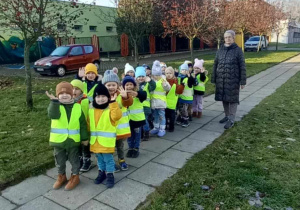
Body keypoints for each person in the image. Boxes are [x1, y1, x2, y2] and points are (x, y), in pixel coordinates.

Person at [46, 82, 89, 191]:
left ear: (72, 94)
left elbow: (82, 124)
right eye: (61, 93)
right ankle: (61, 176)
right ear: (57, 95)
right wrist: (54, 102)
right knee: (59, 160)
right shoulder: (56, 106)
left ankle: (75, 176)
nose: (64, 95)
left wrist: (84, 138)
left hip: (73, 141)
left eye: (67, 93)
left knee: (74, 160)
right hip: (58, 141)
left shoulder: (77, 107)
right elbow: (52, 115)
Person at [89, 83, 122, 188]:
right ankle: (101, 172)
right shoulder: (91, 109)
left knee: (108, 160)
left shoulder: (110, 108)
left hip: (106, 142)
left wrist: (113, 103)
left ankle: (110, 175)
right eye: (98, 97)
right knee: (99, 159)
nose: (100, 99)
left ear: (108, 97)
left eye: (103, 96)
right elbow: (88, 123)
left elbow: (117, 116)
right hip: (95, 141)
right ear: (94, 98)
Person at [212, 30, 246, 129]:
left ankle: (231, 119)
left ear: (233, 38)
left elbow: (242, 66)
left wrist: (243, 81)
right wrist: (214, 78)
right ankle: (227, 116)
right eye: (226, 37)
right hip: (221, 79)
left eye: (229, 37)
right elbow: (215, 64)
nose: (227, 39)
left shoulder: (238, 50)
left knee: (233, 100)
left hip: (233, 80)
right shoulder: (220, 50)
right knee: (224, 98)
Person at [102, 70, 133, 172]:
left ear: (117, 85)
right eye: (108, 85)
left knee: (120, 146)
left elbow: (129, 103)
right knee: (109, 147)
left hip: (119, 129)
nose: (111, 87)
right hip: (108, 129)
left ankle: (121, 159)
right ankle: (111, 162)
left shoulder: (121, 95)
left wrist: (126, 97)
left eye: (113, 85)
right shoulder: (102, 97)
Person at [70, 79, 92, 172]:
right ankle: (80, 159)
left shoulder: (87, 100)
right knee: (77, 144)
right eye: (72, 89)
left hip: (85, 127)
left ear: (82, 91)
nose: (74, 91)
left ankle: (87, 160)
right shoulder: (69, 101)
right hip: (75, 128)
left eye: (77, 89)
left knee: (85, 144)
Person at [123, 76, 147, 158]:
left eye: (131, 84)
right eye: (127, 85)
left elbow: (144, 95)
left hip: (137, 120)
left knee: (137, 135)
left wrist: (137, 94)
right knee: (129, 136)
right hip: (128, 120)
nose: (129, 86)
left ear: (134, 85)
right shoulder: (123, 95)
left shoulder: (138, 94)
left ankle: (136, 148)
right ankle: (130, 148)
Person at [150, 60, 171, 137]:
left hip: (161, 102)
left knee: (161, 116)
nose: (156, 76)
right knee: (155, 116)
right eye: (154, 75)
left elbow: (168, 88)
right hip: (154, 102)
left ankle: (162, 129)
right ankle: (156, 127)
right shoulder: (151, 81)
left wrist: (165, 85)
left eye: (157, 75)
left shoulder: (163, 80)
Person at [135, 66, 156, 141]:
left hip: (145, 106)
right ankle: (142, 133)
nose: (141, 78)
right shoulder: (135, 85)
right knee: (141, 121)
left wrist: (150, 81)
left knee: (144, 121)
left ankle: (146, 132)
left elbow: (153, 87)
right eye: (139, 76)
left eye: (142, 76)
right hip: (138, 107)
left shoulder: (147, 84)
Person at [165, 66, 184, 132]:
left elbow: (179, 91)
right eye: (167, 73)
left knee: (171, 116)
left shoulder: (175, 82)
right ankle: (164, 126)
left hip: (172, 103)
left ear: (173, 74)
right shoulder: (163, 81)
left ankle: (171, 127)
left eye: (170, 73)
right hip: (164, 103)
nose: (168, 75)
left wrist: (182, 86)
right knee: (164, 116)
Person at [176, 63, 195, 127]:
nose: (183, 71)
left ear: (187, 71)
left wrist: (190, 77)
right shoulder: (179, 78)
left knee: (184, 110)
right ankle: (180, 118)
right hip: (180, 97)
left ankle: (186, 121)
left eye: (185, 70)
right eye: (182, 70)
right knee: (180, 109)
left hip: (187, 98)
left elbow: (192, 82)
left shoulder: (188, 78)